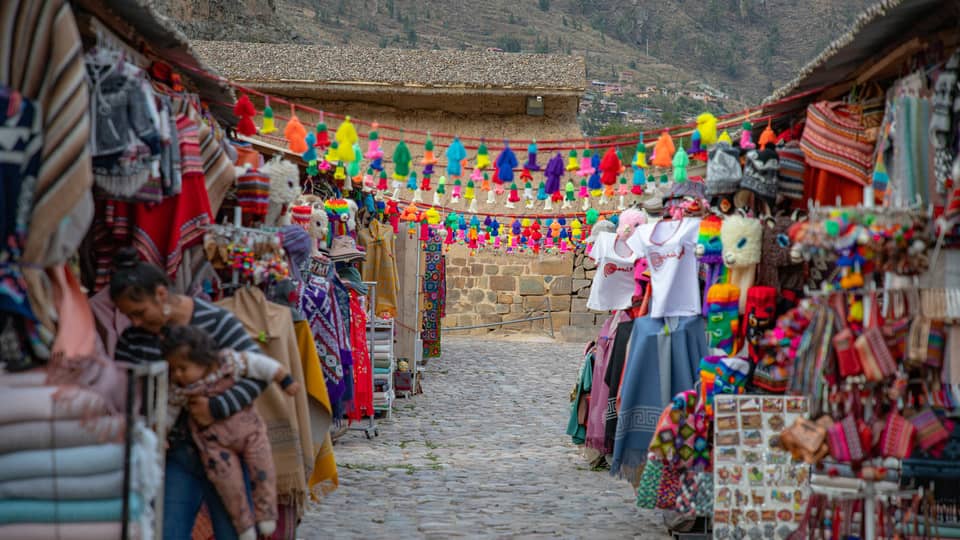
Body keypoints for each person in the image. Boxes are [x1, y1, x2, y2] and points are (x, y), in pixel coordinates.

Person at [109, 248, 269, 540]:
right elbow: (125, 395)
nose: (136, 322)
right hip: (175, 456)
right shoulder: (134, 339)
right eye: (129, 316)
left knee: (234, 532)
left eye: (140, 312)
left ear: (160, 294)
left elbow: (259, 375)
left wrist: (216, 408)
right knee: (166, 532)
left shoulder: (217, 322)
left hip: (225, 448)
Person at [162, 325, 299, 540]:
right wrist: (161, 434)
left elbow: (260, 365)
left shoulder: (229, 362)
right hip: (214, 445)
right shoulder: (180, 389)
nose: (177, 374)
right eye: (174, 370)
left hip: (250, 432)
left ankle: (266, 516)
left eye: (183, 368)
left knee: (263, 472)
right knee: (229, 485)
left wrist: (284, 379)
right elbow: (169, 412)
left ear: (203, 360)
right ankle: (244, 527)